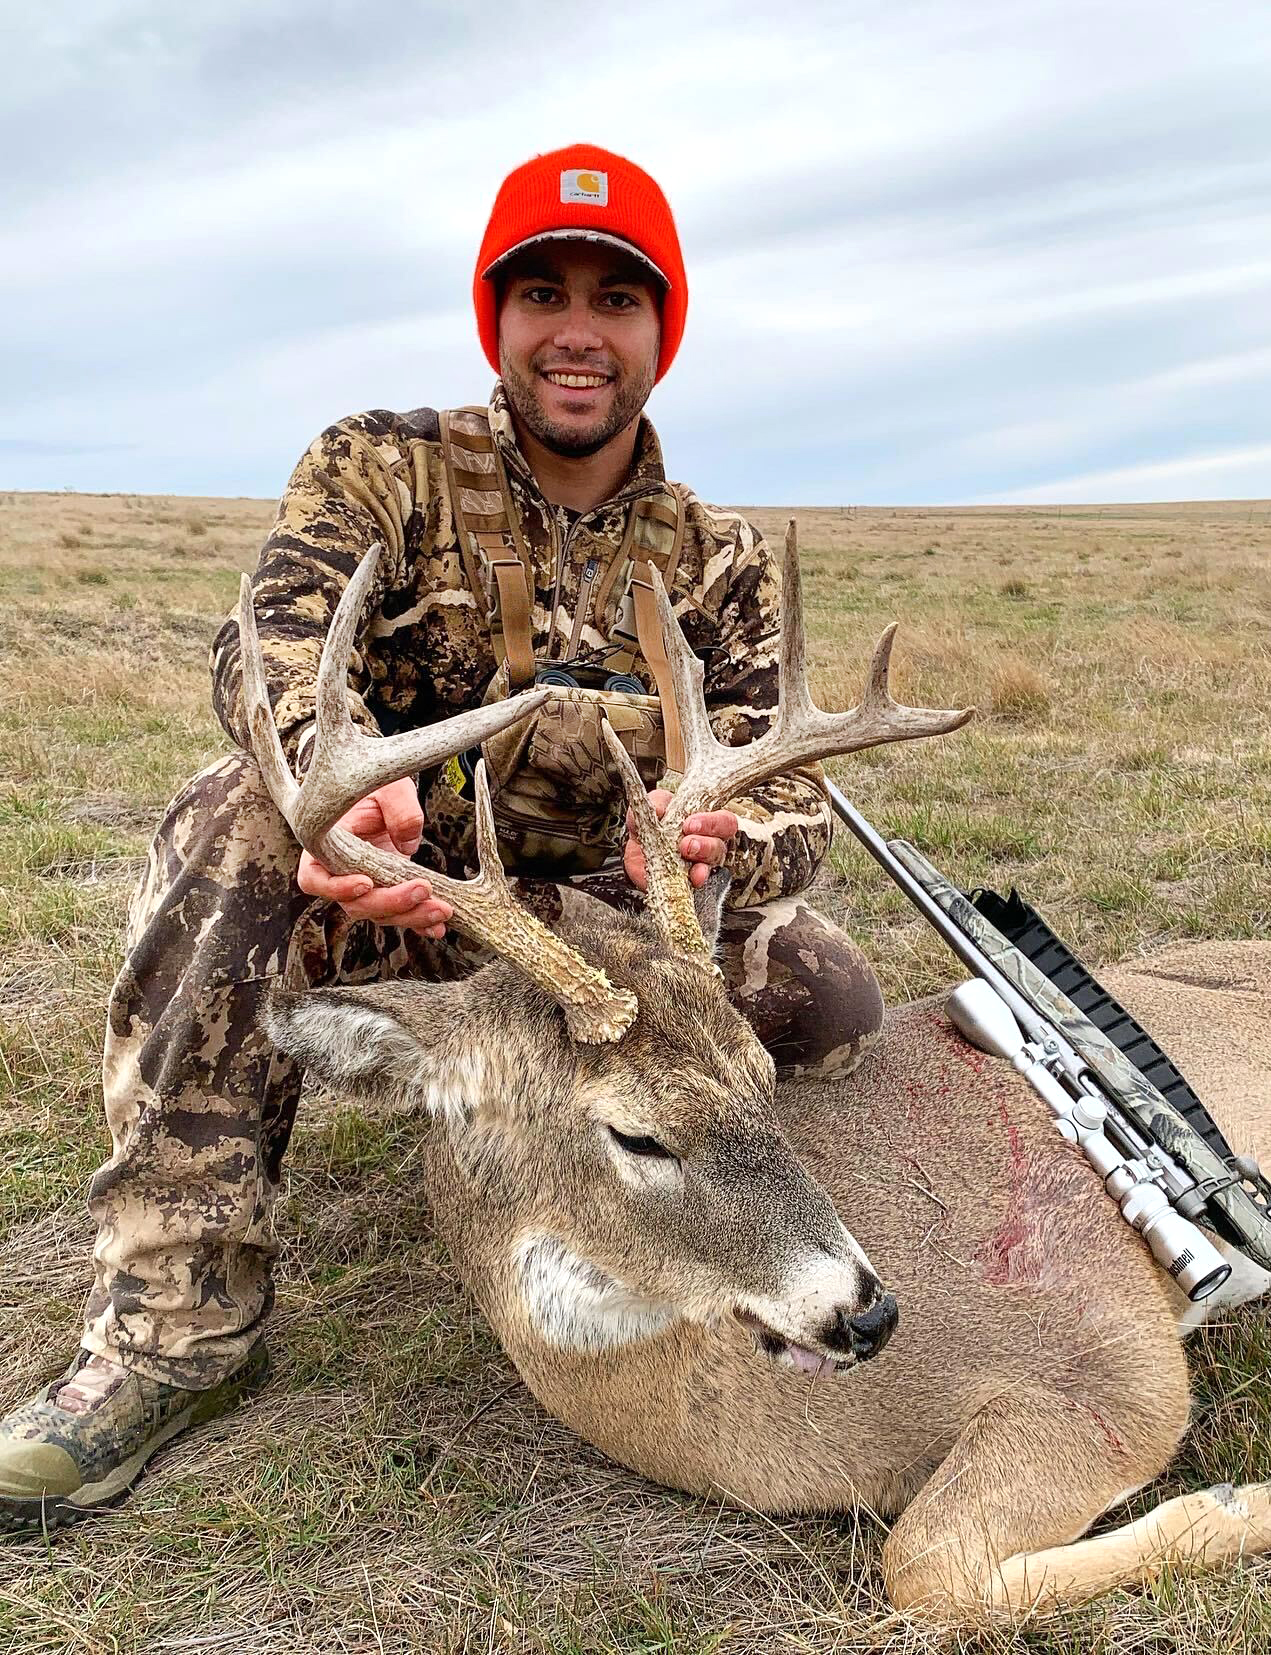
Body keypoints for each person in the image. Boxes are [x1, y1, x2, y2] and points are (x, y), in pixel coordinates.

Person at [0, 145, 885, 1534]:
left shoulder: (710, 558)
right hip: (408, 897)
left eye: (617, 297)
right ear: (500, 320)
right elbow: (268, 644)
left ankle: (689, 1210)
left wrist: (721, 846)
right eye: (543, 292)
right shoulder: (383, 469)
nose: (578, 330)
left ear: (663, 333)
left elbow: (791, 799)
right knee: (233, 836)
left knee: (828, 999)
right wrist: (328, 785)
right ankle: (173, 1323)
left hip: (614, 927)